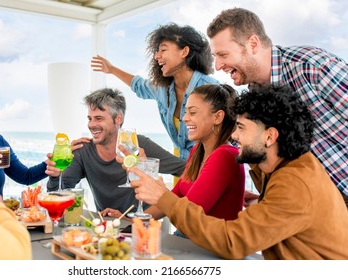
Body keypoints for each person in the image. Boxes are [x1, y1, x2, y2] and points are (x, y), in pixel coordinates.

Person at [129, 84, 348, 260]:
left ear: (269, 137)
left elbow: (233, 242)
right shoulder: (288, 168)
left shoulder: (294, 183)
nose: (234, 136)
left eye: (241, 128)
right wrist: (262, 204)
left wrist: (162, 196)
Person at [206, 7, 348, 207]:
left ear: (253, 44)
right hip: (316, 206)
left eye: (223, 54)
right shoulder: (254, 93)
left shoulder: (311, 67)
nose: (218, 65)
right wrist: (270, 197)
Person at [112, 84, 245, 234]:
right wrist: (133, 222)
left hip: (210, 248)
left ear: (217, 117)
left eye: (192, 112)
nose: (184, 118)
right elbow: (176, 196)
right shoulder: (197, 151)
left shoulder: (225, 156)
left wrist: (155, 186)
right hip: (189, 239)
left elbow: (189, 213)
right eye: (185, 112)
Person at [91, 23, 219, 161]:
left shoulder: (211, 87)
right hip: (182, 164)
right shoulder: (163, 89)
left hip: (209, 162)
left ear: (184, 52)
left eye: (163, 50)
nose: (157, 56)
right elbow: (139, 85)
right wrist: (112, 69)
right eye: (156, 51)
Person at [46, 88, 185, 215]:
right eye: (90, 119)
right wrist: (55, 176)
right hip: (106, 230)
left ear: (118, 118)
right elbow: (57, 196)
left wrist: (173, 202)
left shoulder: (139, 144)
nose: (92, 125)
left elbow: (185, 170)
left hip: (141, 227)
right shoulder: (83, 151)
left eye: (99, 118)